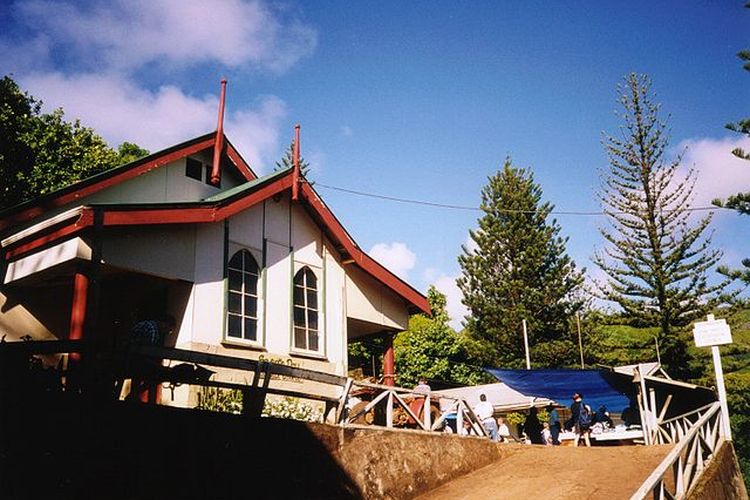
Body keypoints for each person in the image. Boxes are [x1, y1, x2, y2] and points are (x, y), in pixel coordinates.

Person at [127, 314, 176, 403]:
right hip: (135, 360)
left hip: (130, 358)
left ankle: (133, 396)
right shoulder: (152, 330)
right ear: (165, 324)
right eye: (169, 330)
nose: (167, 333)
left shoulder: (147, 325)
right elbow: (147, 352)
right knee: (158, 374)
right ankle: (138, 397)